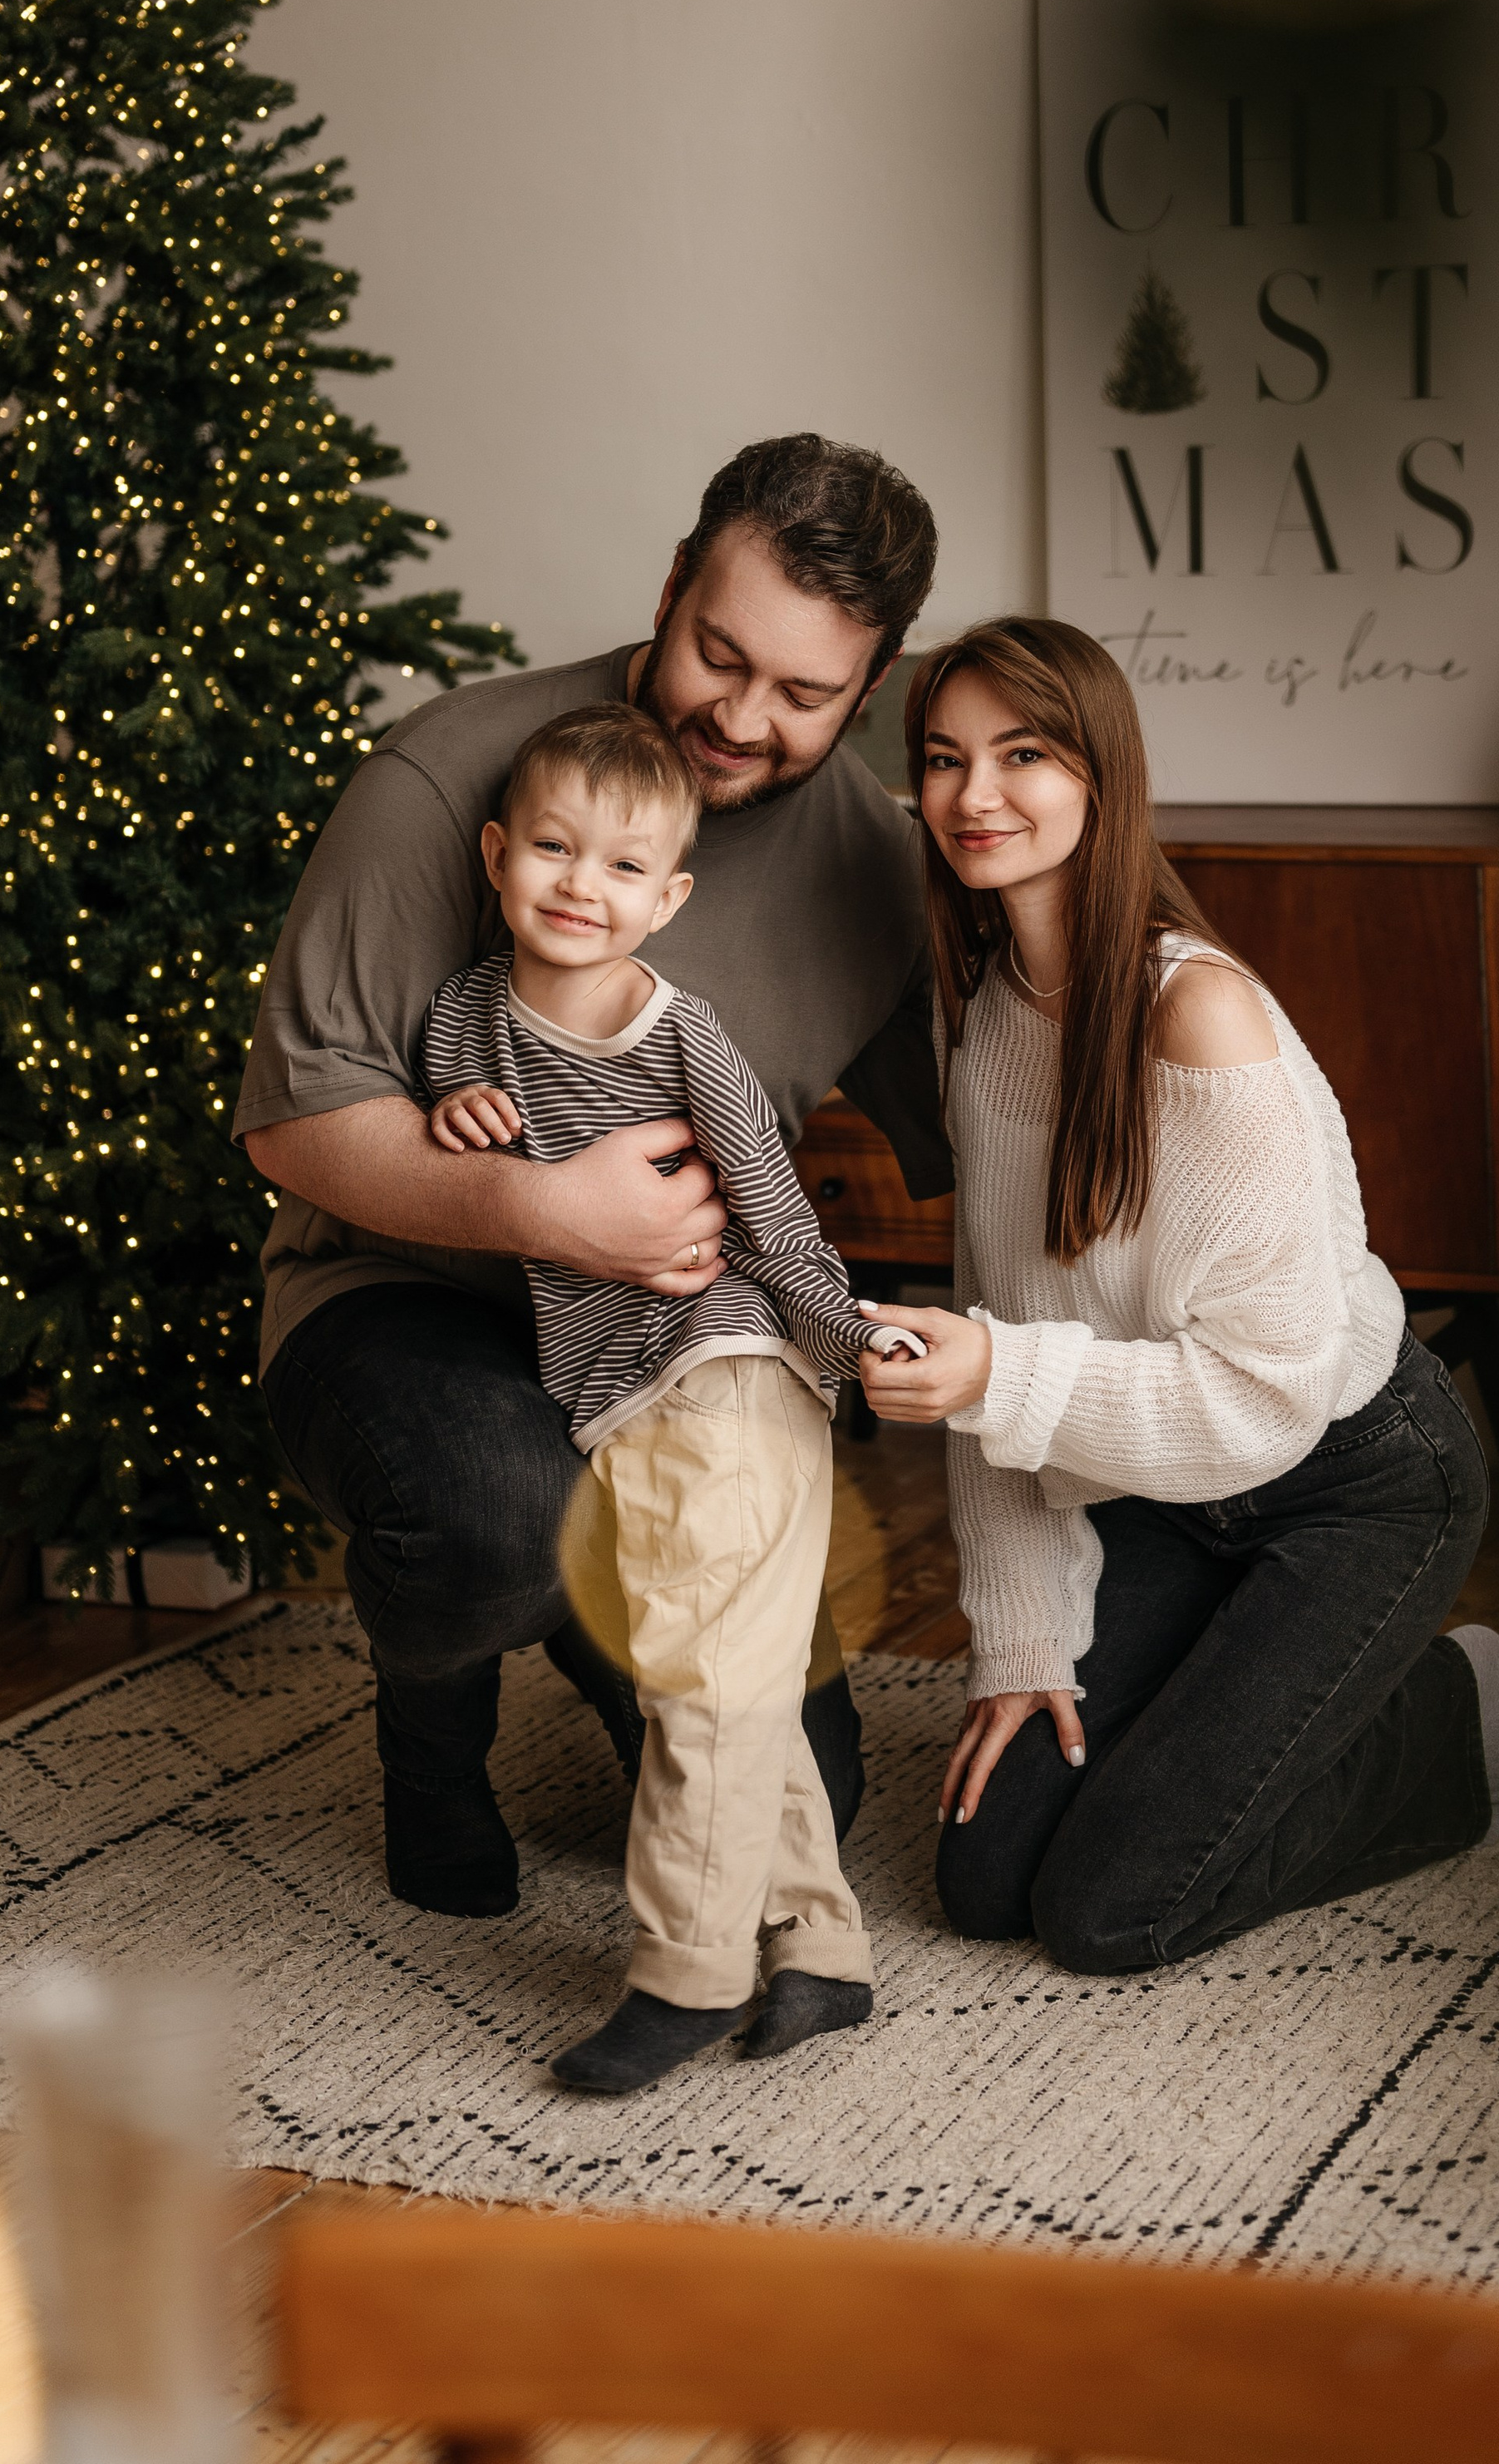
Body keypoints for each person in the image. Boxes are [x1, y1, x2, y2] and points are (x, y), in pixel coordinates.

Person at [234, 435, 949, 1922]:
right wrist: (544, 1209)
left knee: (804, 1786)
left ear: (869, 693)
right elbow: (294, 1124)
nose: (741, 717)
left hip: (670, 1364)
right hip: (403, 1303)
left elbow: (976, 1138)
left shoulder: (874, 869)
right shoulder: (453, 777)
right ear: (674, 583)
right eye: (717, 653)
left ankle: (602, 1607)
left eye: (805, 696)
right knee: (500, 1521)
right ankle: (432, 1737)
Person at [856, 617, 1499, 1968]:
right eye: (942, 759)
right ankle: (1233, 1678)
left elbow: (1259, 1400)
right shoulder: (978, 1012)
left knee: (1112, 1911)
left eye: (1021, 754)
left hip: (1351, 1476)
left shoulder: (1195, 1016)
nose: (974, 797)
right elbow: (1002, 1332)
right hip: (1158, 1482)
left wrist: (993, 1373)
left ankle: (1441, 1704)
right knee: (984, 1884)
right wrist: (1024, 1645)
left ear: (1100, 773)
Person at [420, 702, 920, 2089]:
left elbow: (765, 1203)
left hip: (728, 1369)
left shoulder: (684, 1037)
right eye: (557, 851)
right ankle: (818, 1950)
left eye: (625, 867)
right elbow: (460, 1088)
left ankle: (684, 1975)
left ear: (670, 897)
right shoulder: (470, 1011)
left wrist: (847, 1341)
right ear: (496, 853)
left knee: (698, 1683)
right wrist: (461, 1120)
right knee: (729, 1673)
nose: (585, 886)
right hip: (611, 1395)